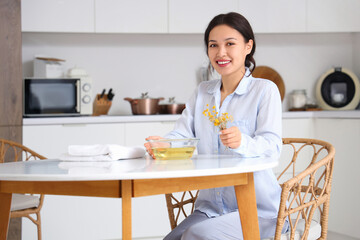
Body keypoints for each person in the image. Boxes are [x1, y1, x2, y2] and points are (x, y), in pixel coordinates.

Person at [144, 12, 288, 240]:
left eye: (230, 44)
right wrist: (164, 143)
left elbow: (272, 146)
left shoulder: (264, 90)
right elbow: (182, 133)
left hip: (258, 210)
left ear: (248, 46)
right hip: (210, 208)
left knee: (196, 235)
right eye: (213, 45)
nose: (221, 53)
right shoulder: (203, 92)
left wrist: (243, 142)